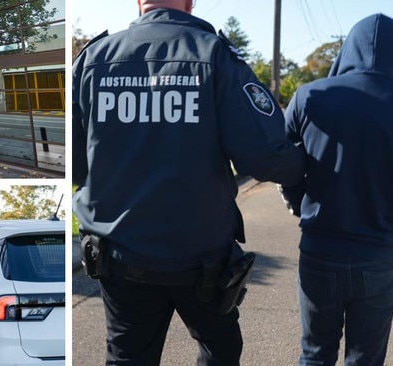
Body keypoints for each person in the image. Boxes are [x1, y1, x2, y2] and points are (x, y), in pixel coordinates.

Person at [72, 0, 306, 364]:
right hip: (200, 259)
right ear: (190, 1)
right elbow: (265, 154)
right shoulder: (213, 54)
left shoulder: (92, 59)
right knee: (220, 351)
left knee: (127, 357)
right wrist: (311, 171)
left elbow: (72, 164)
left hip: (118, 254)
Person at [280, 14, 393, 366]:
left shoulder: (308, 97)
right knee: (366, 360)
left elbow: (281, 161)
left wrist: (299, 201)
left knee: (315, 354)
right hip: (381, 254)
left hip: (320, 249)